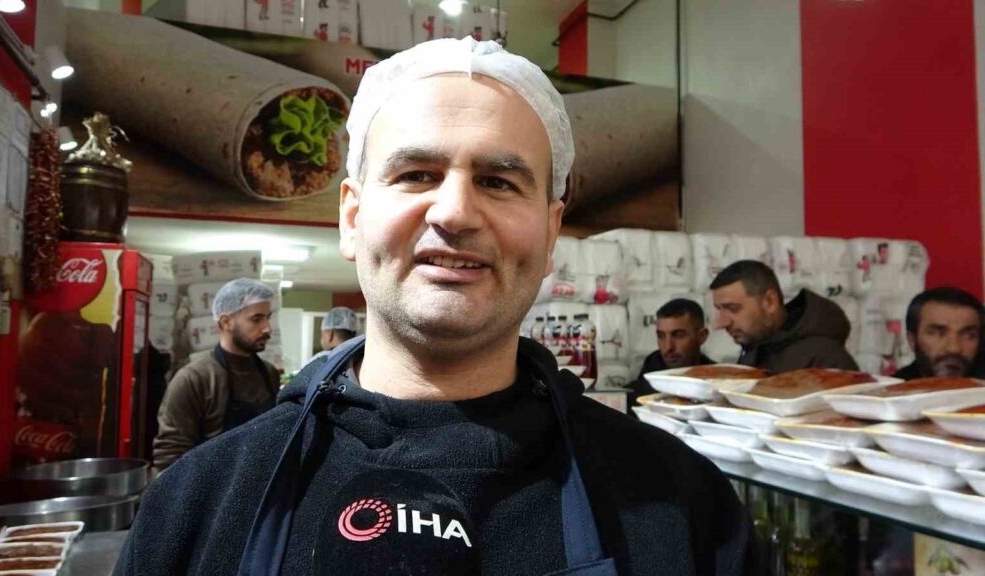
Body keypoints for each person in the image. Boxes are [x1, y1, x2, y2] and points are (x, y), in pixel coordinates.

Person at [115, 38, 755, 575]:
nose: (454, 212)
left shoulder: (682, 504)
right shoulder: (195, 505)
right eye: (416, 174)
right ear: (352, 217)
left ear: (551, 232)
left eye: (498, 181)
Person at [151, 278, 280, 472]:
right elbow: (170, 455)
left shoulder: (269, 374)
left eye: (268, 318)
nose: (267, 328)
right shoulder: (194, 378)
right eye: (256, 319)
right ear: (226, 322)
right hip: (210, 486)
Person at [711, 260, 858, 372]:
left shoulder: (827, 361)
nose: (721, 323)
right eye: (719, 310)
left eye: (733, 308)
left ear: (770, 302)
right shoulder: (756, 349)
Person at [895, 287, 985, 379]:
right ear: (912, 340)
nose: (953, 348)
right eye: (938, 334)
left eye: (968, 336)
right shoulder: (893, 386)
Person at [630, 298, 714, 396]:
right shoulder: (631, 396)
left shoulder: (720, 383)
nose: (668, 347)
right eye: (661, 336)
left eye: (678, 335)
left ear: (702, 336)